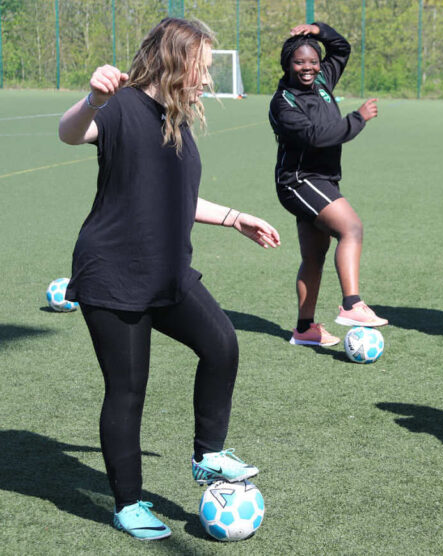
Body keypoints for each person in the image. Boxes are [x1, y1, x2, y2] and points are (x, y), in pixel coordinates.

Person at [58, 18, 281, 540]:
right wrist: (91, 98)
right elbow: (71, 133)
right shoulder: (120, 104)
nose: (205, 79)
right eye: (201, 68)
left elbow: (173, 196)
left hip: (167, 272)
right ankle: (128, 503)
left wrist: (234, 217)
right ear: (175, 60)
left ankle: (209, 455)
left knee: (222, 343)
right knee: (128, 389)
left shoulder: (173, 117)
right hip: (113, 274)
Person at [269, 22, 387, 348]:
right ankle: (352, 305)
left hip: (322, 181)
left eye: (312, 61)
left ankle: (304, 328)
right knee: (351, 228)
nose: (307, 68)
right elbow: (316, 137)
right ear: (287, 65)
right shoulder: (283, 103)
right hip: (299, 182)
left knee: (314, 256)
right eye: (299, 62)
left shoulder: (322, 81)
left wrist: (318, 29)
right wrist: (358, 118)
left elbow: (342, 48)